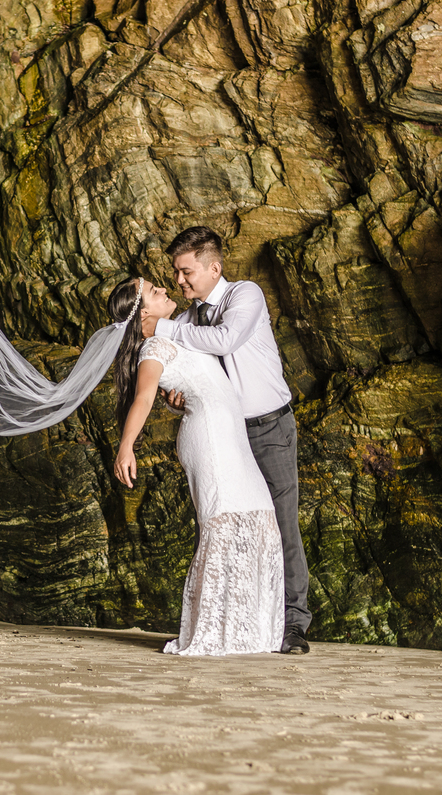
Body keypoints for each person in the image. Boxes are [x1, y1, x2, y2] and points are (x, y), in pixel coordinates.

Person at [139, 226, 311, 655]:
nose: (179, 280)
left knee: (282, 524)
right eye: (176, 273)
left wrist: (162, 326)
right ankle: (247, 622)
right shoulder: (186, 320)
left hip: (268, 428)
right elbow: (189, 378)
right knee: (232, 527)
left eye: (186, 272)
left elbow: (225, 339)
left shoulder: (244, 295)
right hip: (224, 437)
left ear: (214, 268)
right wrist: (178, 402)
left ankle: (293, 625)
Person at [110, 277, 283, 655]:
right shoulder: (153, 346)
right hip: (210, 439)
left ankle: (250, 632)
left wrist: (175, 399)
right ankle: (213, 631)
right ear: (143, 313)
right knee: (224, 524)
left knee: (260, 517)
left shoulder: (180, 331)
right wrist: (126, 446)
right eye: (153, 291)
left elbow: (200, 378)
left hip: (230, 436)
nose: (164, 289)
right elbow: (143, 398)